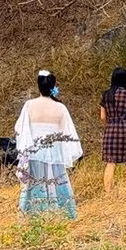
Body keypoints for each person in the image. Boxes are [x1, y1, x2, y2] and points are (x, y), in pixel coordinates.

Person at [14, 70, 82, 218]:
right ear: (53, 86)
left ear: (38, 86)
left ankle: (33, 215)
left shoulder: (29, 105)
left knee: (34, 185)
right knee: (57, 183)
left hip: (34, 153)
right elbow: (68, 133)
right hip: (55, 154)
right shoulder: (60, 108)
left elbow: (20, 129)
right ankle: (61, 214)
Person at [99, 67, 126, 194]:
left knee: (111, 162)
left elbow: (102, 117)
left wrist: (111, 122)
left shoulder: (106, 95)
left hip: (111, 129)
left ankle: (108, 193)